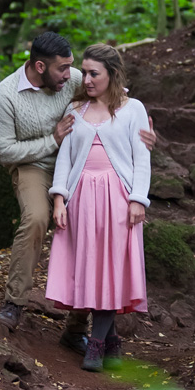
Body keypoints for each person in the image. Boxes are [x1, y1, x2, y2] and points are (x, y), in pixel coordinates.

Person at [0, 32, 155, 355]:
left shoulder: (76, 76)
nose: (71, 75)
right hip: (33, 164)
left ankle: (77, 328)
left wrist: (143, 132)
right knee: (37, 217)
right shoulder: (5, 95)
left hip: (80, 165)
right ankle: (15, 302)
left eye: (72, 68)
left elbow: (114, 97)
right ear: (40, 66)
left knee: (90, 235)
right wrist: (52, 141)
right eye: (63, 69)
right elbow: (4, 150)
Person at [45, 43, 150, 372]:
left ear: (112, 75)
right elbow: (65, 159)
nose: (87, 79)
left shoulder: (132, 109)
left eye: (94, 73)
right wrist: (59, 200)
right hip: (82, 200)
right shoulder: (76, 110)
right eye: (85, 73)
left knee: (111, 269)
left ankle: (97, 344)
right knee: (92, 269)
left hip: (118, 199)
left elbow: (142, 159)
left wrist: (138, 199)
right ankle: (112, 342)